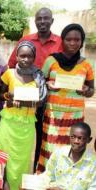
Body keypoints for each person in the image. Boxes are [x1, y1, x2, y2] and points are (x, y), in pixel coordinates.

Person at [7, 7, 63, 171]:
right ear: (35, 21)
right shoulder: (26, 40)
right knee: (23, 134)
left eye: (46, 18)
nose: (42, 22)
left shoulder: (60, 42)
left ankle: (39, 171)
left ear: (52, 21)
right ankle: (16, 169)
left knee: (45, 136)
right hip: (24, 97)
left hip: (50, 98)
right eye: (39, 18)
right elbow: (11, 66)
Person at [37, 24, 95, 172]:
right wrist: (47, 84)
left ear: (82, 41)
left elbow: (91, 90)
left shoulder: (87, 64)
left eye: (77, 39)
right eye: (69, 39)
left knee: (71, 151)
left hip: (74, 117)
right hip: (53, 117)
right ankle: (47, 182)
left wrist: (86, 90)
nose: (73, 43)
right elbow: (38, 82)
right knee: (51, 150)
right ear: (62, 40)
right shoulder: (51, 61)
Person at [0, 40, 47, 190]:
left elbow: (41, 101)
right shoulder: (9, 73)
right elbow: (0, 94)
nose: (26, 59)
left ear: (34, 57)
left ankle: (19, 187)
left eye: (29, 56)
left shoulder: (38, 76)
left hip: (27, 124)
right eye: (22, 56)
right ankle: (3, 185)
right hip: (9, 122)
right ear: (16, 56)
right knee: (4, 155)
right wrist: (9, 97)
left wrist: (21, 103)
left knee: (23, 159)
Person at [43, 122, 96, 190]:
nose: (76, 141)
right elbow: (48, 176)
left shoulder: (93, 163)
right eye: (73, 137)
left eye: (80, 138)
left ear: (89, 140)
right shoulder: (58, 154)